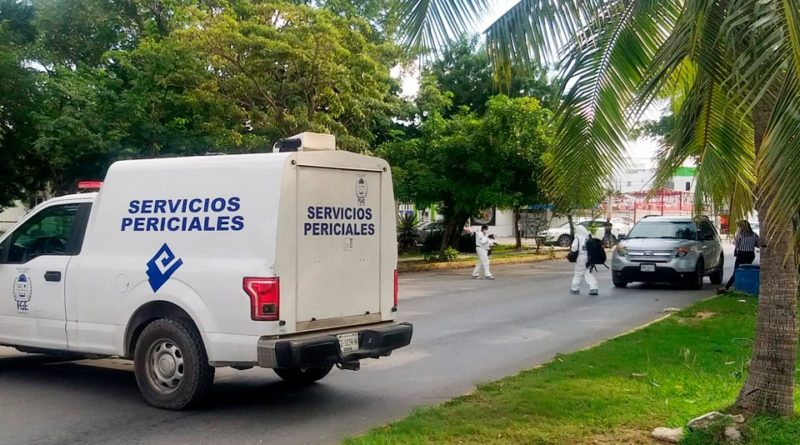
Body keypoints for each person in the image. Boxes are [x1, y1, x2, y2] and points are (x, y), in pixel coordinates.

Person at [722, 220, 759, 291]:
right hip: (750, 254)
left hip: (741, 254)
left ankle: (727, 286)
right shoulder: (754, 235)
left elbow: (736, 244)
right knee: (747, 269)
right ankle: (747, 286)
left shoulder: (740, 235)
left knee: (736, 271)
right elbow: (758, 244)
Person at [570, 225, 598, 295]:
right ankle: (594, 288)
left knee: (578, 273)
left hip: (581, 257)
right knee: (588, 272)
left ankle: (575, 288)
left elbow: (574, 248)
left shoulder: (578, 238)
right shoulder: (588, 237)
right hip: (589, 257)